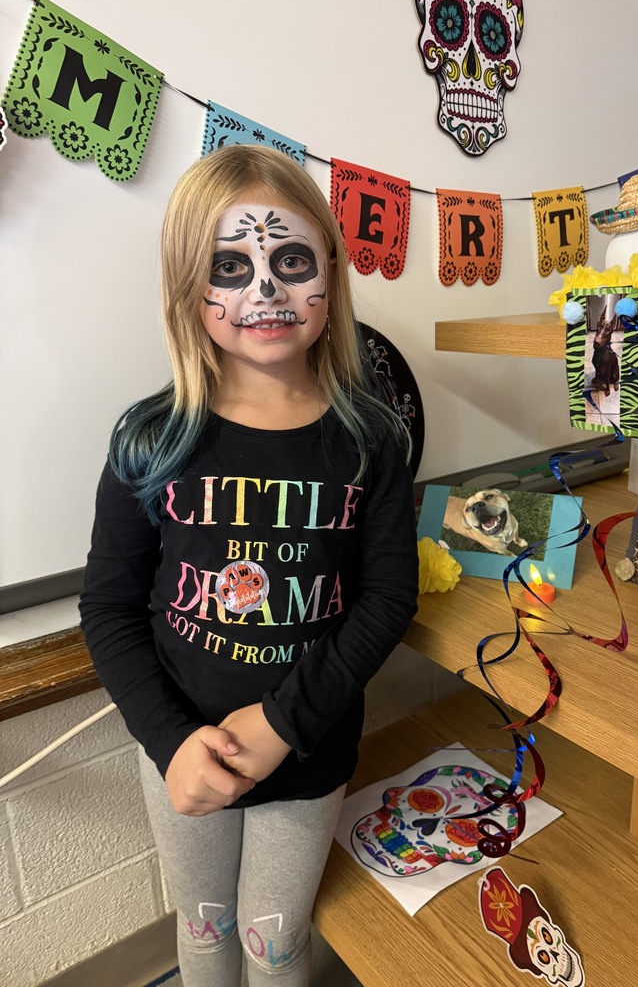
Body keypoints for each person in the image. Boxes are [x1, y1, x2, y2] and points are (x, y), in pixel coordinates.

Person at [79, 144, 419, 987]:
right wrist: (171, 740)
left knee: (276, 946)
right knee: (203, 934)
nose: (263, 290)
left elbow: (386, 597)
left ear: (331, 275)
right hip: (184, 751)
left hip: (305, 753)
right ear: (188, 289)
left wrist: (282, 725)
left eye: (290, 260)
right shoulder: (151, 440)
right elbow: (110, 607)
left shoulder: (372, 438)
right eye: (229, 266)